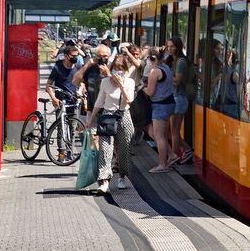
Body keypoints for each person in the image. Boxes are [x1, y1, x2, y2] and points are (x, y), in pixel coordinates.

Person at [85, 51, 136, 194]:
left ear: (125, 70)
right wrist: (90, 120)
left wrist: (121, 86)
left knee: (124, 149)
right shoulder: (105, 82)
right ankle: (104, 181)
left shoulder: (130, 82)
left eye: (121, 68)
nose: (117, 71)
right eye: (115, 68)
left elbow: (129, 100)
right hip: (107, 116)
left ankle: (122, 177)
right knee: (106, 149)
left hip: (123, 116)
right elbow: (99, 101)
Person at [143, 46, 176, 173]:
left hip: (160, 105)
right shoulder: (166, 68)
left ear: (151, 58)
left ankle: (163, 164)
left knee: (159, 136)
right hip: (169, 103)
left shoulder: (154, 72)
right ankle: (172, 155)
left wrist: (142, 88)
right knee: (161, 134)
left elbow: (150, 92)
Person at [166, 36, 195, 165]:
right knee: (173, 130)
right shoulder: (174, 61)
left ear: (178, 47)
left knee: (174, 130)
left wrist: (164, 77)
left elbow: (177, 81)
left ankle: (174, 156)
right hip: (175, 98)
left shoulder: (181, 62)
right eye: (168, 46)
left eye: (172, 46)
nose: (169, 48)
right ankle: (186, 150)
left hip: (179, 98)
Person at [72, 43, 112, 114]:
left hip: (108, 110)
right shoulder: (91, 67)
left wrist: (108, 74)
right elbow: (75, 81)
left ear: (109, 56)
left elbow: (117, 88)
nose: (102, 58)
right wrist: (87, 65)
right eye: (99, 56)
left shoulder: (113, 67)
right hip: (92, 108)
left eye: (105, 56)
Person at [45, 44, 82, 111]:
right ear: (66, 56)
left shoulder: (78, 67)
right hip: (60, 102)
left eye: (77, 56)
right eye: (73, 56)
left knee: (74, 121)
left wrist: (80, 91)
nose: (75, 58)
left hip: (73, 102)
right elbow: (48, 85)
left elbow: (82, 83)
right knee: (60, 121)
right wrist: (54, 99)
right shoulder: (58, 67)